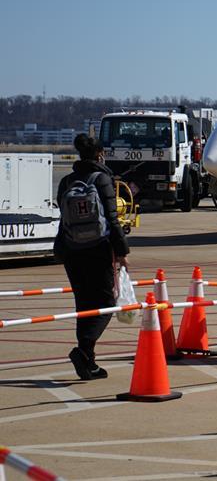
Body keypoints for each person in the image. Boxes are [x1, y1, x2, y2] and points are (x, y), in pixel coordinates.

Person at [54, 134, 130, 380]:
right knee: (106, 304)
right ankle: (83, 350)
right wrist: (122, 251)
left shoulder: (67, 181)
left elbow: (62, 215)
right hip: (98, 249)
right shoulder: (102, 179)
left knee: (83, 305)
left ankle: (89, 362)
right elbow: (112, 218)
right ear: (100, 155)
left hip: (72, 250)